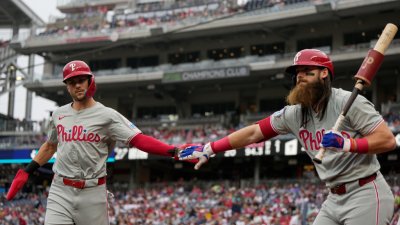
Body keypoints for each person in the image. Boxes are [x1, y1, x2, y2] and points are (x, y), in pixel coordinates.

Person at [179, 49, 397, 225]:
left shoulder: (348, 102)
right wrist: (210, 148)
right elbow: (254, 132)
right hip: (334, 197)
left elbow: (387, 140)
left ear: (323, 73)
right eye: (296, 73)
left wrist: (348, 144)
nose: (299, 75)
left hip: (366, 192)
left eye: (305, 70)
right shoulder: (294, 113)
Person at [6, 60, 190, 225]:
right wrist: (26, 171)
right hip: (60, 189)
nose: (77, 85)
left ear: (90, 81)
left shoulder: (107, 115)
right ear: (67, 87)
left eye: (81, 80)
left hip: (93, 192)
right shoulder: (58, 114)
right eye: (71, 82)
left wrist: (174, 151)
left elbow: (138, 140)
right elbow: (50, 145)